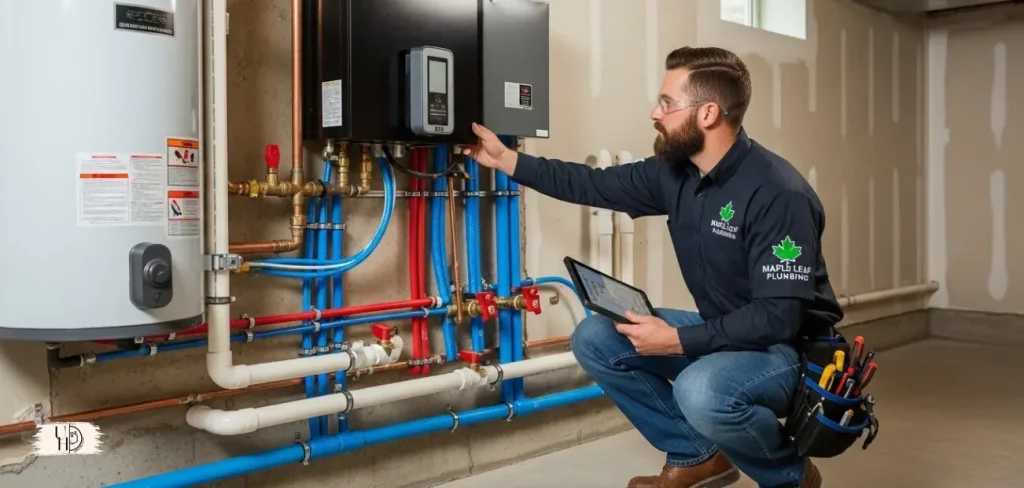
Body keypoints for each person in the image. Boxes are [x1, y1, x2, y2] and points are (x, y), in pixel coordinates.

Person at [462, 45, 845, 488]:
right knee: (596, 336)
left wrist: (677, 340)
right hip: (724, 330)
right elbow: (594, 184)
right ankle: (697, 453)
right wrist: (506, 159)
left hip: (789, 353)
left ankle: (791, 477)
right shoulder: (676, 171)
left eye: (667, 103)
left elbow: (780, 317)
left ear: (708, 113)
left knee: (700, 390)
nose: (654, 113)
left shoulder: (778, 194)